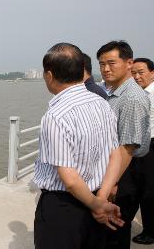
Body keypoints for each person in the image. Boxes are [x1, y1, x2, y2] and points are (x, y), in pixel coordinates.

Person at [33, 42, 124, 249]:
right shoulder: (101, 103)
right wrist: (100, 199)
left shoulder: (56, 116)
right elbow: (115, 155)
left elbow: (71, 180)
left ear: (49, 75)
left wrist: (97, 205)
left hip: (65, 208)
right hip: (97, 195)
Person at [97, 41, 151, 249]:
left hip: (124, 171)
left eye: (111, 63)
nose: (106, 69)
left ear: (129, 63)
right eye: (102, 64)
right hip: (116, 169)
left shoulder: (132, 97)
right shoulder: (114, 92)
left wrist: (110, 185)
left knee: (114, 232)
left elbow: (127, 148)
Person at [130, 58, 154, 245]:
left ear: (152, 73)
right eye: (134, 73)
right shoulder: (140, 93)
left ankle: (150, 231)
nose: (137, 77)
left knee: (148, 190)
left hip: (150, 146)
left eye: (141, 72)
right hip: (143, 145)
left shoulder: (149, 94)